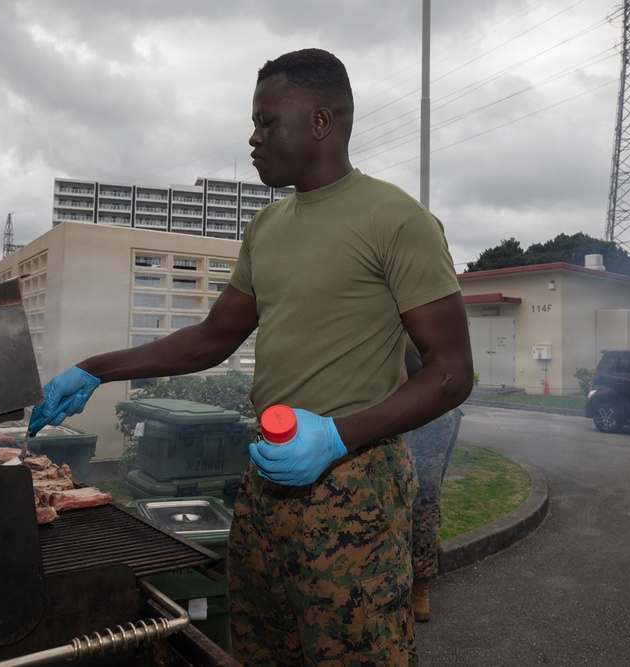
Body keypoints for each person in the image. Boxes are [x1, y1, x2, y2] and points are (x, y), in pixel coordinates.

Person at [29, 48, 473, 666]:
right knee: (263, 652)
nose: (253, 137)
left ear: (323, 120)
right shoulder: (267, 226)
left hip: (354, 484)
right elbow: (214, 337)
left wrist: (336, 438)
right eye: (254, 123)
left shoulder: (397, 220)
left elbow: (451, 372)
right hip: (266, 480)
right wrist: (95, 368)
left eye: (267, 121)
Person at [403, 340, 464, 623]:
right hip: (443, 412)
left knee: (420, 502)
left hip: (423, 417)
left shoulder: (399, 322)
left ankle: (421, 589)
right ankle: (433, 541)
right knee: (429, 494)